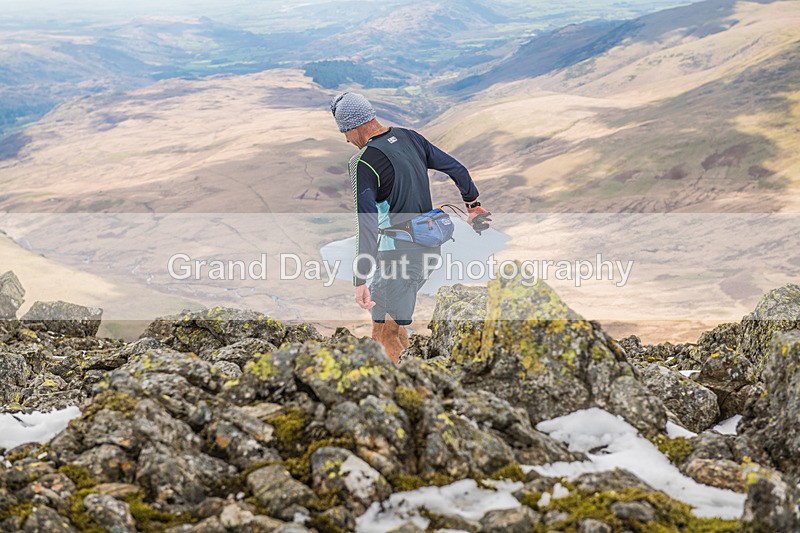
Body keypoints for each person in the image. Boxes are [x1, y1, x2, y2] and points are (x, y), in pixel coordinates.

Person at [330, 91, 491, 363]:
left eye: (345, 132)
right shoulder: (410, 137)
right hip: (428, 250)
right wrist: (473, 205)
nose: (346, 140)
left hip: (398, 258)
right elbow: (457, 169)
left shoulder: (363, 161)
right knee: (387, 326)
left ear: (352, 126)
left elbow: (366, 224)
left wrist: (360, 278)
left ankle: (404, 394)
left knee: (385, 336)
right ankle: (406, 379)